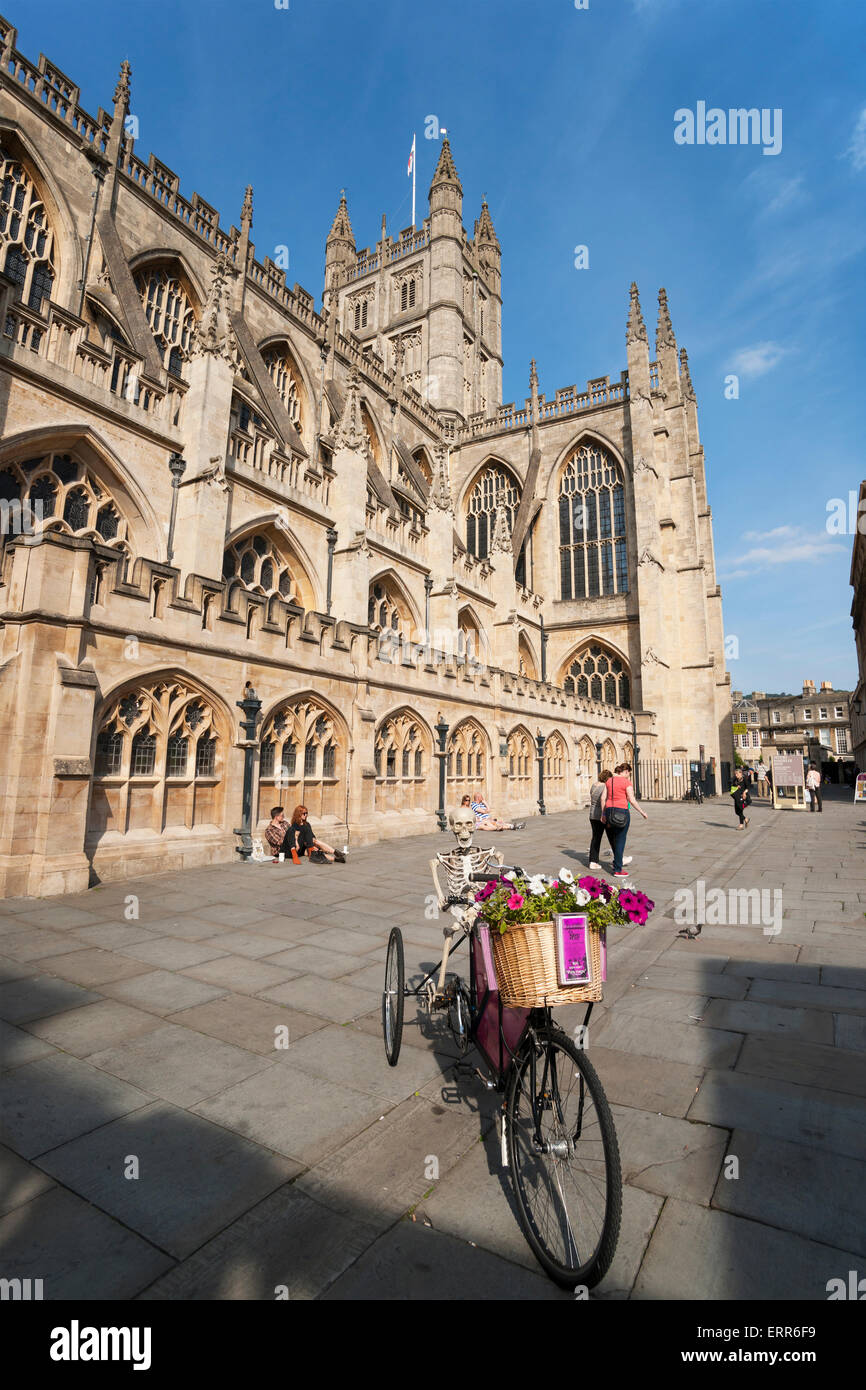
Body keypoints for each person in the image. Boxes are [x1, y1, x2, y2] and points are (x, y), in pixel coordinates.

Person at [600, 763, 647, 876]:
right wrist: (642, 812)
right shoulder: (627, 783)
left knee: (614, 839)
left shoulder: (609, 781)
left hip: (609, 811)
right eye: (628, 774)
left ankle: (617, 863)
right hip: (622, 812)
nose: (628, 776)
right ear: (625, 771)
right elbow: (632, 800)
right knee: (621, 839)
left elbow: (603, 798)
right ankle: (618, 869)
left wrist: (603, 814)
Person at [588, 769, 619, 869]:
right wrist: (604, 814)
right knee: (612, 837)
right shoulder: (605, 787)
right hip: (602, 815)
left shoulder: (594, 785)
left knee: (596, 838)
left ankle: (593, 861)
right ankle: (619, 858)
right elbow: (604, 801)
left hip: (592, 815)